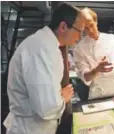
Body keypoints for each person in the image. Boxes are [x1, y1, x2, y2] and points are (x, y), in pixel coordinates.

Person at [3, 3, 86, 134]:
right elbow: (46, 107)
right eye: (79, 31)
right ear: (63, 26)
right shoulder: (40, 48)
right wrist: (63, 97)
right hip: (29, 129)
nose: (80, 37)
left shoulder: (49, 45)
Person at [73, 8, 114, 100]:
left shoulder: (112, 39)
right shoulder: (79, 49)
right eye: (86, 28)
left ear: (96, 21)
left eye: (92, 25)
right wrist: (96, 70)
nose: (90, 31)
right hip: (96, 95)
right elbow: (86, 77)